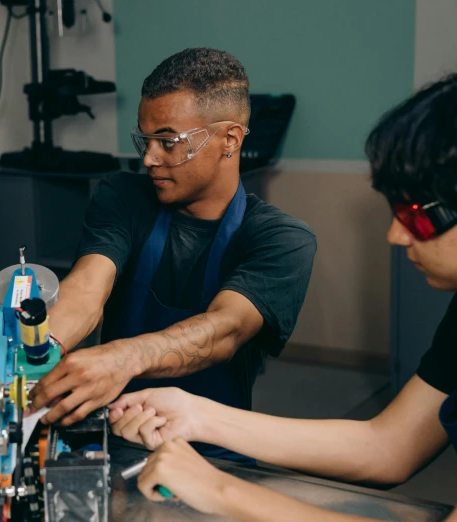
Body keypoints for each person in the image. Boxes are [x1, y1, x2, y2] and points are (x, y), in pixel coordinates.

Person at [108, 73, 457, 521]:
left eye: (416, 215)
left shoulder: (280, 235)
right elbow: (389, 446)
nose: (395, 235)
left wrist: (221, 490)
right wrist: (196, 415)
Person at [27, 48, 317, 460]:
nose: (149, 158)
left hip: (216, 453)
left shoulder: (280, 239)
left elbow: (225, 329)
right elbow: (88, 286)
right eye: (145, 140)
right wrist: (42, 347)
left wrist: (123, 358)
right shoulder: (123, 197)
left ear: (230, 140)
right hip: (114, 436)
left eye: (168, 142)